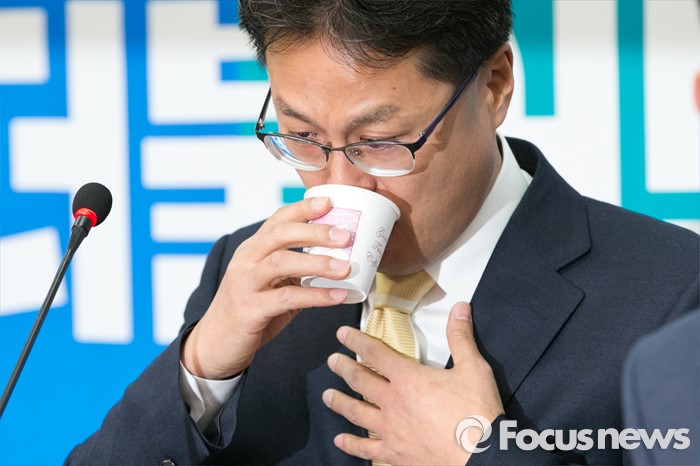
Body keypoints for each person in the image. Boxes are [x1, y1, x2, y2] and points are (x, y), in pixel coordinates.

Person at [66, 1, 699, 464]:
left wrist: (480, 455)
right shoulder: (250, 273)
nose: (342, 183)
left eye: (380, 141)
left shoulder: (672, 295)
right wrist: (202, 371)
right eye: (302, 137)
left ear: (496, 86)